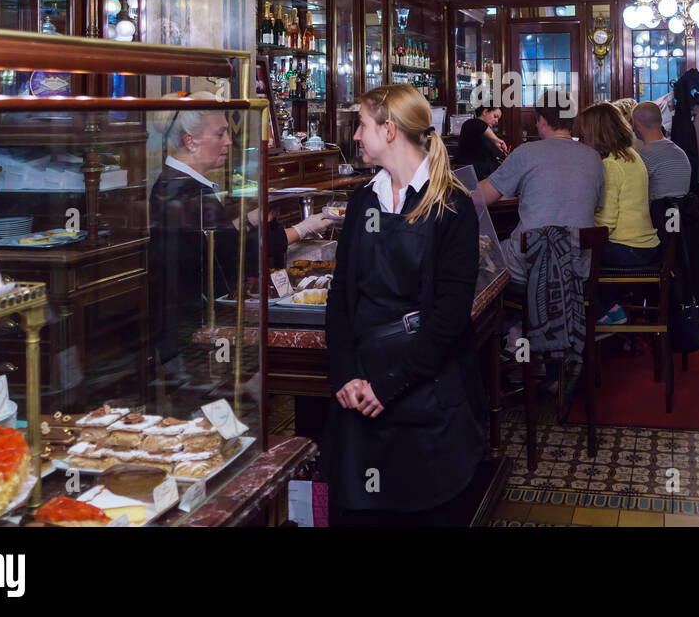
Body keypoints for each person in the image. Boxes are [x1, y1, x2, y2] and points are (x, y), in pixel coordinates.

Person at [323, 83, 485, 527]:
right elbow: (340, 297)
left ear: (390, 130)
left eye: (361, 124)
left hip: (424, 396)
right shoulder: (362, 201)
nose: (356, 135)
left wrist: (389, 387)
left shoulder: (452, 205)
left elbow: (449, 317)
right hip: (360, 392)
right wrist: (345, 374)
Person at [148, 96, 335, 380]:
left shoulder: (179, 183)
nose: (228, 142)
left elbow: (209, 241)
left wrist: (249, 219)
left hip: (191, 324)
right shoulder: (185, 191)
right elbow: (236, 253)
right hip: (193, 331)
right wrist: (303, 229)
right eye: (220, 134)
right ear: (190, 141)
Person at [477, 90, 603, 285]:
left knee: (477, 255)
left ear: (542, 120)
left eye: (537, 121)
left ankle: (495, 314)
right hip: (578, 267)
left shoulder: (526, 153)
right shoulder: (594, 158)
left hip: (530, 264)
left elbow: (481, 197)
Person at [575, 102, 661, 326]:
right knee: (580, 252)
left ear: (596, 133)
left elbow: (606, 225)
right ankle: (611, 308)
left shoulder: (611, 165)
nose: (583, 138)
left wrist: (579, 226)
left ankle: (600, 314)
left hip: (629, 248)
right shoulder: (631, 155)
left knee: (571, 257)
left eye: (585, 133)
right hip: (646, 245)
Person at [630, 101, 692, 204]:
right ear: (661, 121)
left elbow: (631, 193)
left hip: (655, 217)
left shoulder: (644, 156)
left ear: (637, 124)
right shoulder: (680, 153)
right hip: (680, 217)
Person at [453, 106, 507, 180]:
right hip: (470, 176)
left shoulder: (487, 134)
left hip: (485, 177)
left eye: (498, 119)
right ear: (485, 112)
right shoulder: (471, 123)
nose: (497, 121)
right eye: (495, 116)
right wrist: (496, 140)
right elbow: (479, 124)